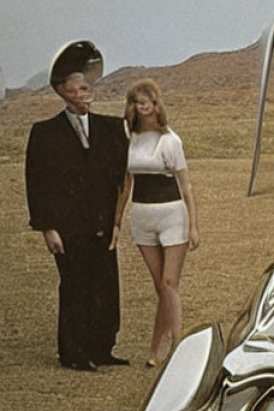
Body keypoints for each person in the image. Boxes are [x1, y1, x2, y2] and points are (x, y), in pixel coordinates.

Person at [25, 42, 130, 371]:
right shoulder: (44, 134)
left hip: (102, 224)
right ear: (63, 91)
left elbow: (124, 177)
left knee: (105, 286)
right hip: (68, 229)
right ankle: (73, 353)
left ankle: (102, 348)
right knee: (75, 287)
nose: (87, 93)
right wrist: (47, 228)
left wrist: (116, 222)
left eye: (89, 87)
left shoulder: (112, 129)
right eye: (80, 88)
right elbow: (37, 183)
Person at [118, 78, 199, 368]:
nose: (142, 107)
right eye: (137, 102)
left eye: (147, 102)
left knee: (169, 283)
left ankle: (175, 349)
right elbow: (125, 185)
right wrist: (117, 223)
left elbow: (186, 186)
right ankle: (157, 348)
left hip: (171, 215)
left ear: (156, 104)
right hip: (141, 217)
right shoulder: (129, 137)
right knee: (160, 287)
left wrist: (193, 226)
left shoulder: (170, 140)